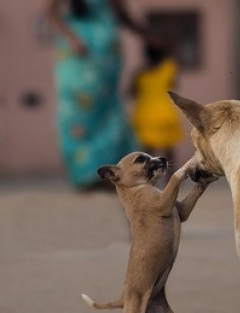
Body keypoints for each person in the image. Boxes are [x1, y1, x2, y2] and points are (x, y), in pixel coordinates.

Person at [48, 0, 152, 191]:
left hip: (105, 53)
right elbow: (51, 13)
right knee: (75, 111)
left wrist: (147, 35)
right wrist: (71, 38)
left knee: (106, 111)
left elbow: (122, 14)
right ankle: (84, 174)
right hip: (76, 52)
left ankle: (108, 174)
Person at [131, 43, 183, 170]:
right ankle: (171, 178)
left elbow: (132, 93)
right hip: (164, 113)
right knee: (169, 150)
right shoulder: (168, 69)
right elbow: (174, 84)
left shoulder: (140, 73)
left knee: (147, 152)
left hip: (145, 114)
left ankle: (146, 179)